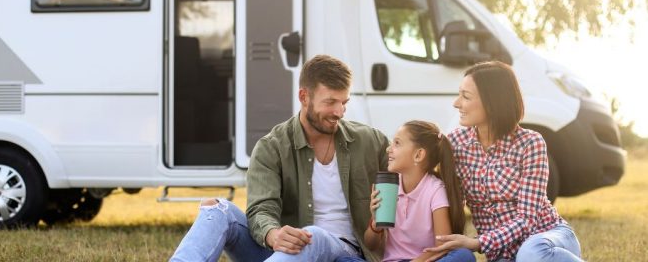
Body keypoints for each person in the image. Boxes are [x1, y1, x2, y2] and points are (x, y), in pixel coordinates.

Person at [170, 54, 389, 261]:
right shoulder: (272, 147)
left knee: (313, 236)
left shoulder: (371, 142)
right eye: (330, 102)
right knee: (217, 209)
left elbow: (415, 187)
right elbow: (260, 210)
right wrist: (274, 234)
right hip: (283, 254)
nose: (339, 112)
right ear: (304, 97)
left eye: (344, 102)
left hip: (344, 255)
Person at [424, 61, 583, 262]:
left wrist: (477, 243)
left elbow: (527, 220)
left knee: (530, 254)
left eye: (466, 96)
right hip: (502, 252)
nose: (457, 103)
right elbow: (428, 180)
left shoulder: (530, 143)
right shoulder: (455, 143)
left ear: (492, 102)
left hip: (546, 237)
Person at [362, 120, 476, 262]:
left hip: (424, 260)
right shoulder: (389, 186)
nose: (388, 149)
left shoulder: (435, 189)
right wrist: (375, 222)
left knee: (463, 255)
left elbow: (442, 246)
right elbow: (370, 245)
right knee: (343, 259)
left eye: (397, 143)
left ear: (418, 155)